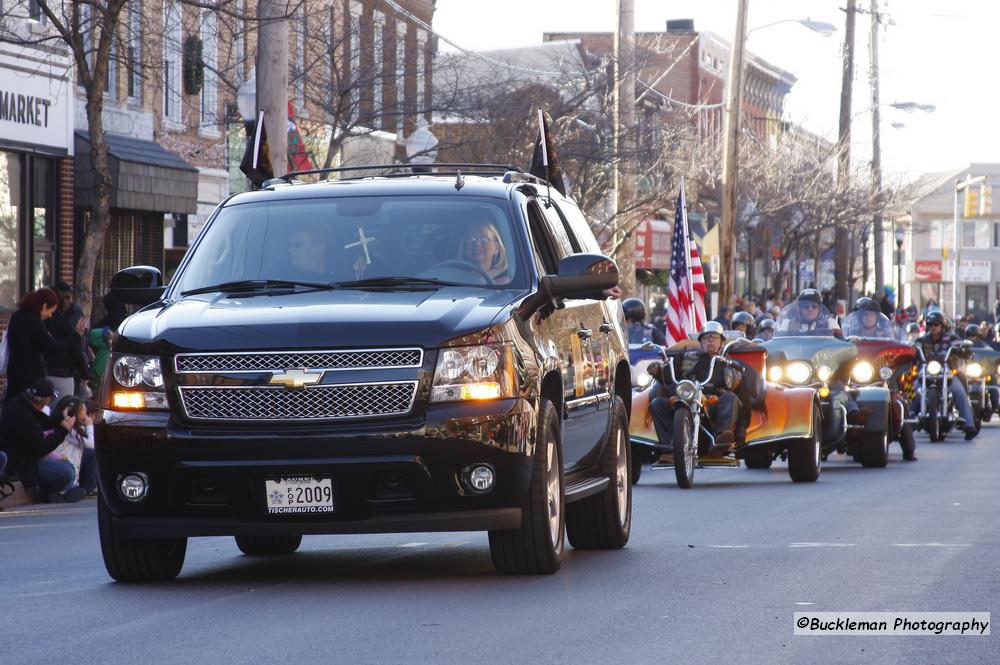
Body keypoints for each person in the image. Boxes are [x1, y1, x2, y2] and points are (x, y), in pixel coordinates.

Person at [649, 322, 745, 461]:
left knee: (730, 398)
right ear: (700, 342)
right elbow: (669, 377)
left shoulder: (725, 361)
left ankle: (720, 440)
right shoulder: (687, 358)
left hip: (712, 402)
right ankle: (670, 448)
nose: (710, 340)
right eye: (706, 337)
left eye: (714, 337)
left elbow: (734, 383)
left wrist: (734, 374)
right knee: (657, 404)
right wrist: (658, 371)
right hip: (684, 397)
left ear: (721, 342)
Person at [0, 379, 85, 503]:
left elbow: (39, 422)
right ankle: (50, 494)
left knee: (66, 467)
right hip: (22, 465)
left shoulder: (17, 404)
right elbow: (41, 448)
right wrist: (62, 430)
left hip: (18, 457)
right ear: (45, 399)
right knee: (67, 471)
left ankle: (54, 494)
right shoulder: (25, 417)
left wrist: (59, 418)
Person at [2, 288, 84, 403]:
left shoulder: (16, 316)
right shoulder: (35, 323)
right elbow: (54, 348)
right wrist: (76, 335)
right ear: (44, 306)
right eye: (51, 311)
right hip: (30, 378)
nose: (50, 316)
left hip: (14, 373)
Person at [915, 311, 977, 440]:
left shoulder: (952, 339)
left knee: (959, 392)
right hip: (925, 374)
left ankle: (969, 425)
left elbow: (962, 348)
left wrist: (962, 350)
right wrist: (908, 350)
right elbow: (913, 349)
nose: (933, 327)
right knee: (912, 391)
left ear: (942, 325)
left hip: (947, 374)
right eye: (930, 324)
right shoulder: (921, 340)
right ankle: (907, 422)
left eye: (936, 324)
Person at [45, 282, 90, 401]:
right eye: (65, 298)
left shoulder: (74, 313)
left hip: (71, 369)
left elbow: (78, 344)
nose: (68, 301)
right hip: (57, 370)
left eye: (70, 298)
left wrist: (84, 371)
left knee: (74, 406)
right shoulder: (51, 316)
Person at [50, 396, 98, 496]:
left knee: (91, 455)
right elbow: (90, 445)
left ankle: (88, 488)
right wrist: (89, 425)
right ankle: (79, 489)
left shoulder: (78, 428)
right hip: (62, 465)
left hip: (71, 465)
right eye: (83, 411)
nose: (85, 414)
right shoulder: (68, 429)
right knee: (92, 452)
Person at [777, 288, 842, 336]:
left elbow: (840, 345)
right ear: (800, 309)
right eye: (806, 306)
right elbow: (779, 344)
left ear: (819, 309)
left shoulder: (830, 323)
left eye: (814, 306)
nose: (810, 309)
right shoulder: (788, 324)